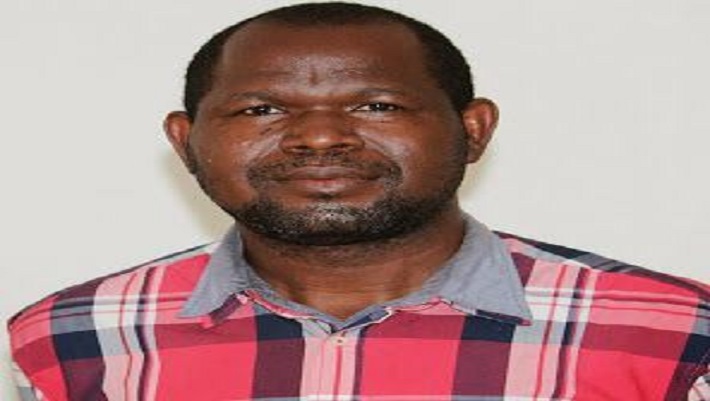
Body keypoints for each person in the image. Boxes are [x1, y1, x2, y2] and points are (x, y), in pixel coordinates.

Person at [8, 2, 708, 400]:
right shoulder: (66, 341)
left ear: (473, 129)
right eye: (260, 109)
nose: (319, 136)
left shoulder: (675, 336)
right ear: (185, 141)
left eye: (377, 104)